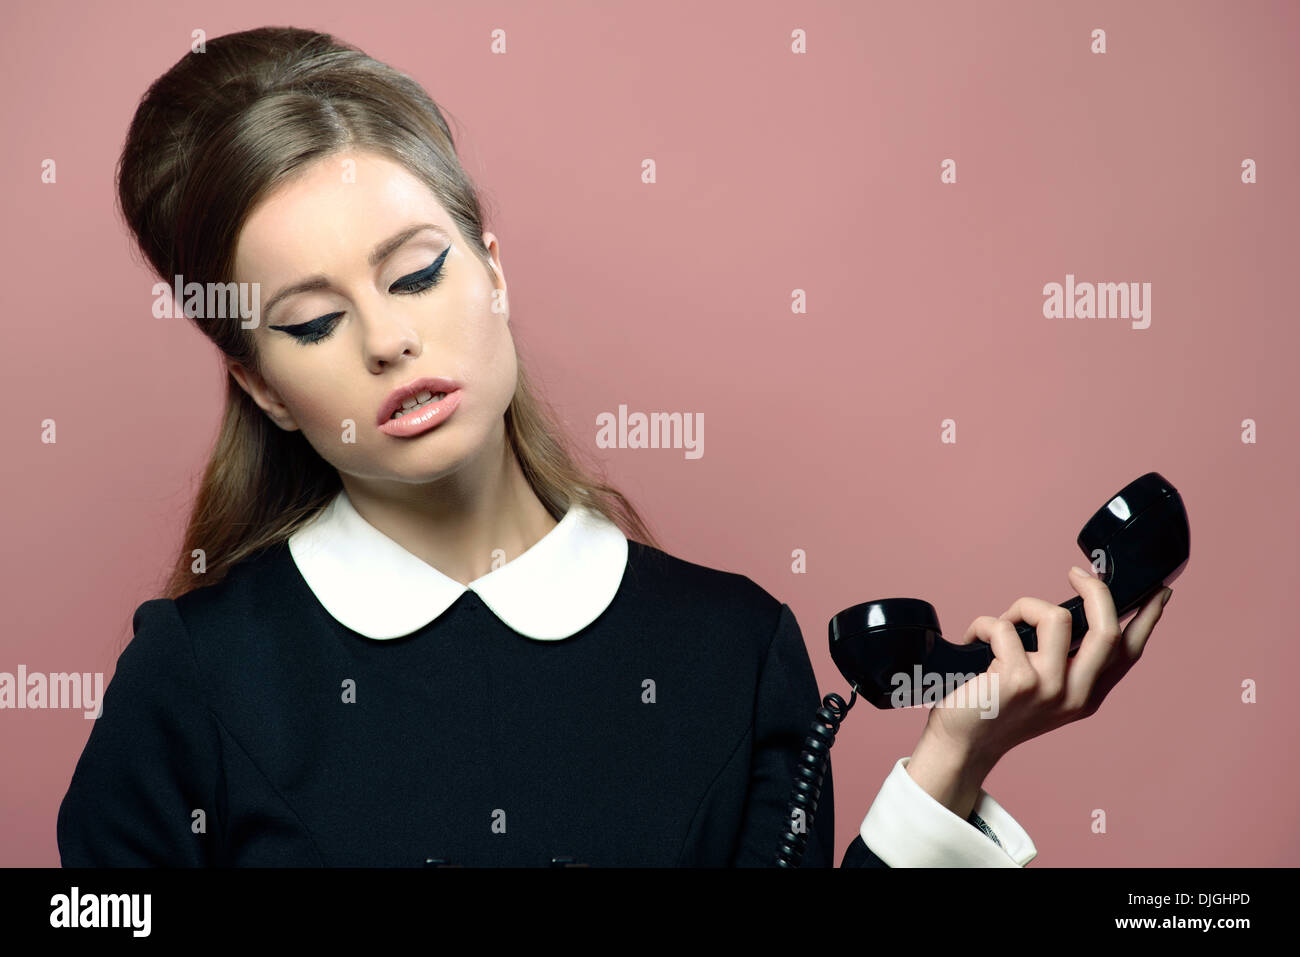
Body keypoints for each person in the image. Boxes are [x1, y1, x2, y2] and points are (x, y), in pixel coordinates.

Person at [56, 27, 1173, 868]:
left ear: (491, 267)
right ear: (264, 386)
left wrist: (952, 767)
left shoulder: (733, 655)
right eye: (311, 322)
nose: (390, 340)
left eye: (416, 272)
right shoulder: (191, 682)